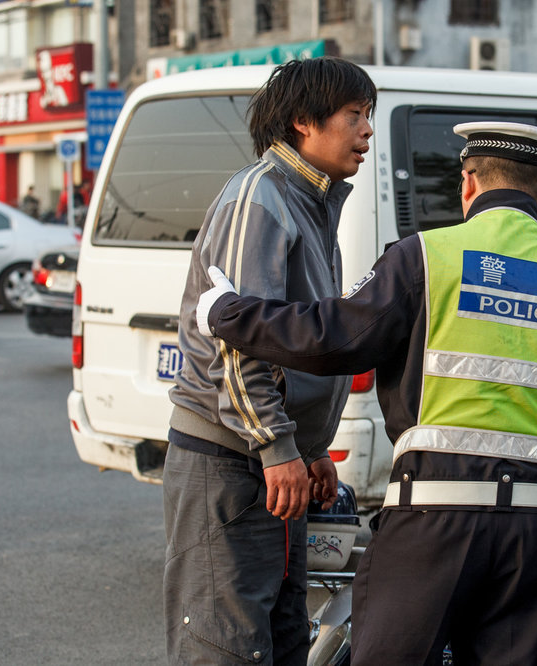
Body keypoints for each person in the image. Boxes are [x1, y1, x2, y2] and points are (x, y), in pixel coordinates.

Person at [198, 121, 537, 664]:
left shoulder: (425, 256)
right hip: (534, 528)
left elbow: (333, 338)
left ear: (468, 184)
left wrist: (229, 313)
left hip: (434, 516)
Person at [161, 57, 375, 665]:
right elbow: (238, 337)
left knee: (281, 642)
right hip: (232, 462)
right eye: (354, 115)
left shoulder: (313, 200)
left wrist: (310, 448)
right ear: (304, 120)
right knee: (225, 645)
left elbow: (299, 335)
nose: (366, 131)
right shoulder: (260, 195)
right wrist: (278, 446)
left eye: (368, 115)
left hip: (276, 463)